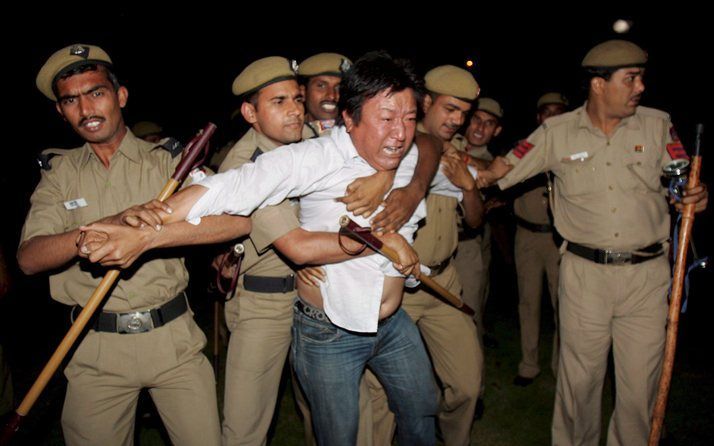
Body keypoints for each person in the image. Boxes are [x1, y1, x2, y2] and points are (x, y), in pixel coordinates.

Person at [81, 51, 444, 446]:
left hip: (391, 321)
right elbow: (235, 189)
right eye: (388, 119)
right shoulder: (308, 155)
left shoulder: (384, 146)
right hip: (323, 324)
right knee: (315, 429)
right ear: (349, 119)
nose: (400, 133)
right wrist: (149, 219)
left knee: (423, 405)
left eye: (408, 118)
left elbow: (428, 142)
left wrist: (401, 183)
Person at [477, 40, 708, 446]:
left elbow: (680, 183)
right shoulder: (556, 132)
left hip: (647, 277)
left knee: (640, 390)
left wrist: (693, 194)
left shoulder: (658, 124)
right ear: (599, 85)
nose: (640, 87)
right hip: (585, 276)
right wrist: (441, 157)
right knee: (578, 386)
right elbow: (496, 172)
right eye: (631, 79)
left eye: (641, 78)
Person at [17, 44, 248, 446]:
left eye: (97, 93)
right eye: (71, 100)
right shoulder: (59, 174)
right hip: (94, 349)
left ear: (120, 96)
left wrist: (148, 236)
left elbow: (236, 220)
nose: (86, 108)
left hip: (174, 342)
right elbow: (29, 259)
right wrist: (96, 230)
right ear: (60, 111)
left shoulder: (169, 163)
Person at [400, 64, 485, 445]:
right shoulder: (396, 144)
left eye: (464, 113)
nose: (458, 120)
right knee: (384, 394)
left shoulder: (459, 153)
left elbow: (476, 221)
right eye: (451, 109)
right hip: (397, 288)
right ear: (426, 101)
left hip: (443, 284)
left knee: (467, 384)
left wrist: (469, 189)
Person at [512, 92, 568, 387]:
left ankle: (561, 367)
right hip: (527, 236)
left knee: (564, 305)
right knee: (528, 302)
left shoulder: (573, 150)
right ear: (538, 117)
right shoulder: (525, 150)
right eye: (546, 112)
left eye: (558, 112)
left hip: (560, 240)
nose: (552, 118)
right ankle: (528, 364)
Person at [298, 52, 352, 138]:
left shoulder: (356, 134)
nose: (332, 96)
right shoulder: (286, 134)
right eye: (321, 86)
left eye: (338, 88)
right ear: (303, 92)